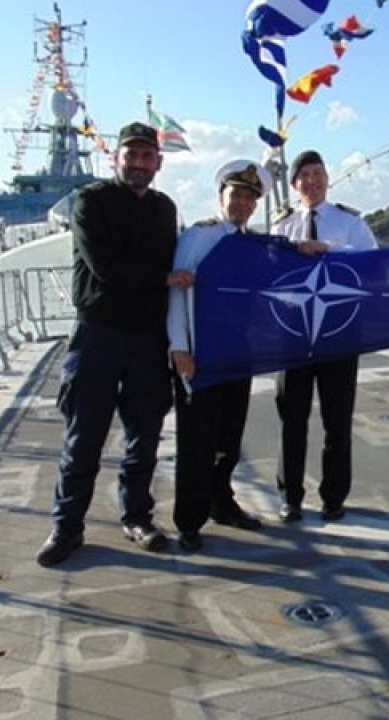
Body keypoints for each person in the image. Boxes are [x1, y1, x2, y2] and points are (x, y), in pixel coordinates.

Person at [36, 121, 180, 567]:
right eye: (130, 154)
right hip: (98, 334)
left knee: (145, 436)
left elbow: (169, 260)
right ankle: (67, 527)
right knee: (84, 438)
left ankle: (137, 517)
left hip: (147, 338)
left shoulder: (164, 208)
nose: (138, 162)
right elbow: (106, 268)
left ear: (158, 162)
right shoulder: (91, 201)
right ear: (115, 158)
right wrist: (161, 278)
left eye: (146, 155)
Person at [167, 159, 275, 551]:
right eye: (237, 194)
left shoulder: (252, 242)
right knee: (197, 441)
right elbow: (177, 293)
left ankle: (222, 503)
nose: (243, 202)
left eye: (250, 197)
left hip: (237, 354)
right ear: (221, 197)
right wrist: (179, 347)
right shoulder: (200, 236)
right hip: (201, 353)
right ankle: (189, 520)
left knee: (229, 438)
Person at [269, 150, 379, 523]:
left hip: (339, 334)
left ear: (328, 179)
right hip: (293, 336)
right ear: (294, 183)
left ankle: (334, 497)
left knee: (337, 421)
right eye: (305, 175)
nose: (312, 182)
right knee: (292, 420)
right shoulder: (282, 225)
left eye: (318, 174)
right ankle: (290, 496)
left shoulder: (350, 223)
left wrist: (328, 251)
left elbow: (372, 264)